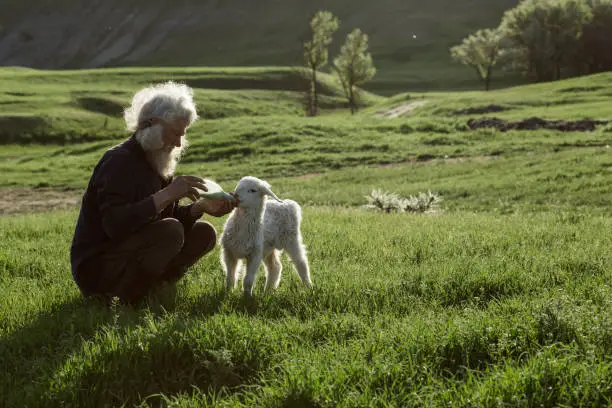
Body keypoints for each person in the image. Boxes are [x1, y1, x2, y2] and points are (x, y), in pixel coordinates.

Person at [70, 81, 236, 304]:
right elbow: (115, 226)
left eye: (182, 135)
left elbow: (165, 218)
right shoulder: (118, 161)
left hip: (129, 253)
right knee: (171, 231)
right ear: (154, 124)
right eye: (174, 133)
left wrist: (199, 208)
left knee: (204, 233)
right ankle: (123, 298)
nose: (178, 143)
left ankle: (155, 287)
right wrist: (168, 194)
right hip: (98, 267)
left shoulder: (158, 161)